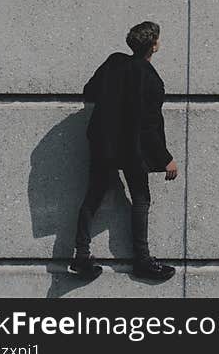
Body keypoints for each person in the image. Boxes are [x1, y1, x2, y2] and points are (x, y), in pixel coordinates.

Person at [68, 21, 179, 283]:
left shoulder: (114, 62)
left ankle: (81, 255)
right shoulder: (151, 80)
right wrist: (167, 159)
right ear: (154, 45)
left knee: (93, 196)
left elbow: (90, 91)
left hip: (104, 143)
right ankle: (142, 261)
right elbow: (149, 127)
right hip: (132, 148)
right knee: (141, 199)